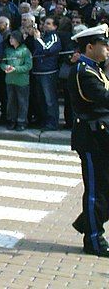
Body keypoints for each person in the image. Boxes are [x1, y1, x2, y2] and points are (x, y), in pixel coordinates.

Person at [68, 24, 109, 256]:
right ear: (90, 47)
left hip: (102, 135)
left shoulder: (96, 69)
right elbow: (104, 98)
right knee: (96, 190)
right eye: (104, 45)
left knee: (104, 189)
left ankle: (87, 221)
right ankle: (93, 239)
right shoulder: (83, 72)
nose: (107, 48)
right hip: (92, 138)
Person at [1, 30, 32, 131]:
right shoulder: (8, 51)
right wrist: (6, 67)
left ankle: (22, 121)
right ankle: (11, 120)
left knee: (22, 102)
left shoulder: (25, 51)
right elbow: (2, 62)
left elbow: (28, 65)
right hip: (9, 80)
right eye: (10, 38)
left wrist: (16, 69)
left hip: (22, 81)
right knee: (11, 102)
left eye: (12, 38)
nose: (10, 40)